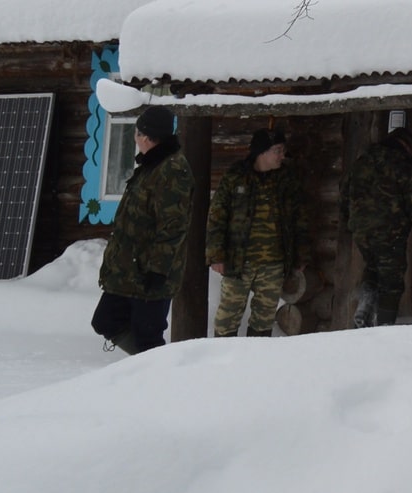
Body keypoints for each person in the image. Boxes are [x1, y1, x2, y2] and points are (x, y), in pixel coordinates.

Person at [93, 107, 193, 354]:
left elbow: (173, 226)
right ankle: (141, 367)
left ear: (146, 136)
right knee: (105, 320)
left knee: (148, 337)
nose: (134, 138)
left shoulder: (172, 170)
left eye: (136, 132)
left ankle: (159, 380)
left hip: (150, 273)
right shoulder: (151, 165)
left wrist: (158, 270)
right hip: (129, 270)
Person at [208, 128, 302, 337]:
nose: (282, 155)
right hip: (238, 262)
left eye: (283, 150)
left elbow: (299, 219)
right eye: (277, 150)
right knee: (227, 318)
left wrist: (300, 256)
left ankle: (255, 365)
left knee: (263, 320)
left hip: (274, 264)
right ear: (262, 152)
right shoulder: (236, 177)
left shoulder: (286, 180)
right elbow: (217, 217)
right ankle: (220, 364)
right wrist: (216, 255)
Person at [343, 112, 412, 326]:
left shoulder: (363, 161)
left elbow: (345, 192)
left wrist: (352, 222)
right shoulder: (405, 164)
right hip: (390, 233)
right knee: (391, 281)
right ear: (406, 145)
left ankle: (364, 306)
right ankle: (384, 326)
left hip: (362, 231)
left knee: (372, 267)